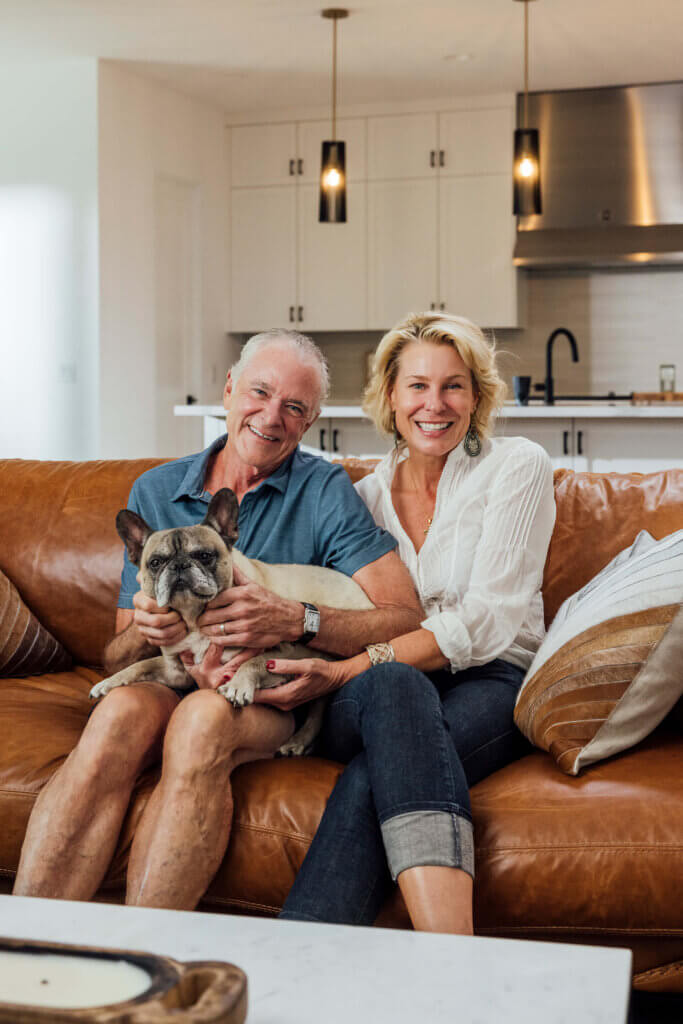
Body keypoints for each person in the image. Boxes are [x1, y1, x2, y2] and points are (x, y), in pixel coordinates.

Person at [13, 329, 423, 910]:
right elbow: (117, 656)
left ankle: (146, 961)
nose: (271, 416)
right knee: (114, 720)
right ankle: (30, 951)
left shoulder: (325, 489)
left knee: (203, 721)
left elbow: (404, 617)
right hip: (175, 672)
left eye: (294, 407)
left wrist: (295, 618)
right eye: (259, 392)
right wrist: (145, 631)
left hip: (262, 690)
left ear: (309, 423)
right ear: (229, 390)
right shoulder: (156, 491)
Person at [253, 312, 556, 935]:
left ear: (477, 396)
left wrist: (351, 669)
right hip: (376, 692)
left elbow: (488, 622)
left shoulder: (517, 466)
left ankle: (300, 963)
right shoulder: (361, 499)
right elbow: (324, 600)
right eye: (417, 385)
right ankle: (453, 966)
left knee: (376, 771)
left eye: (454, 385)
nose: (435, 404)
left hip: (491, 680)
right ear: (390, 397)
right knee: (396, 689)